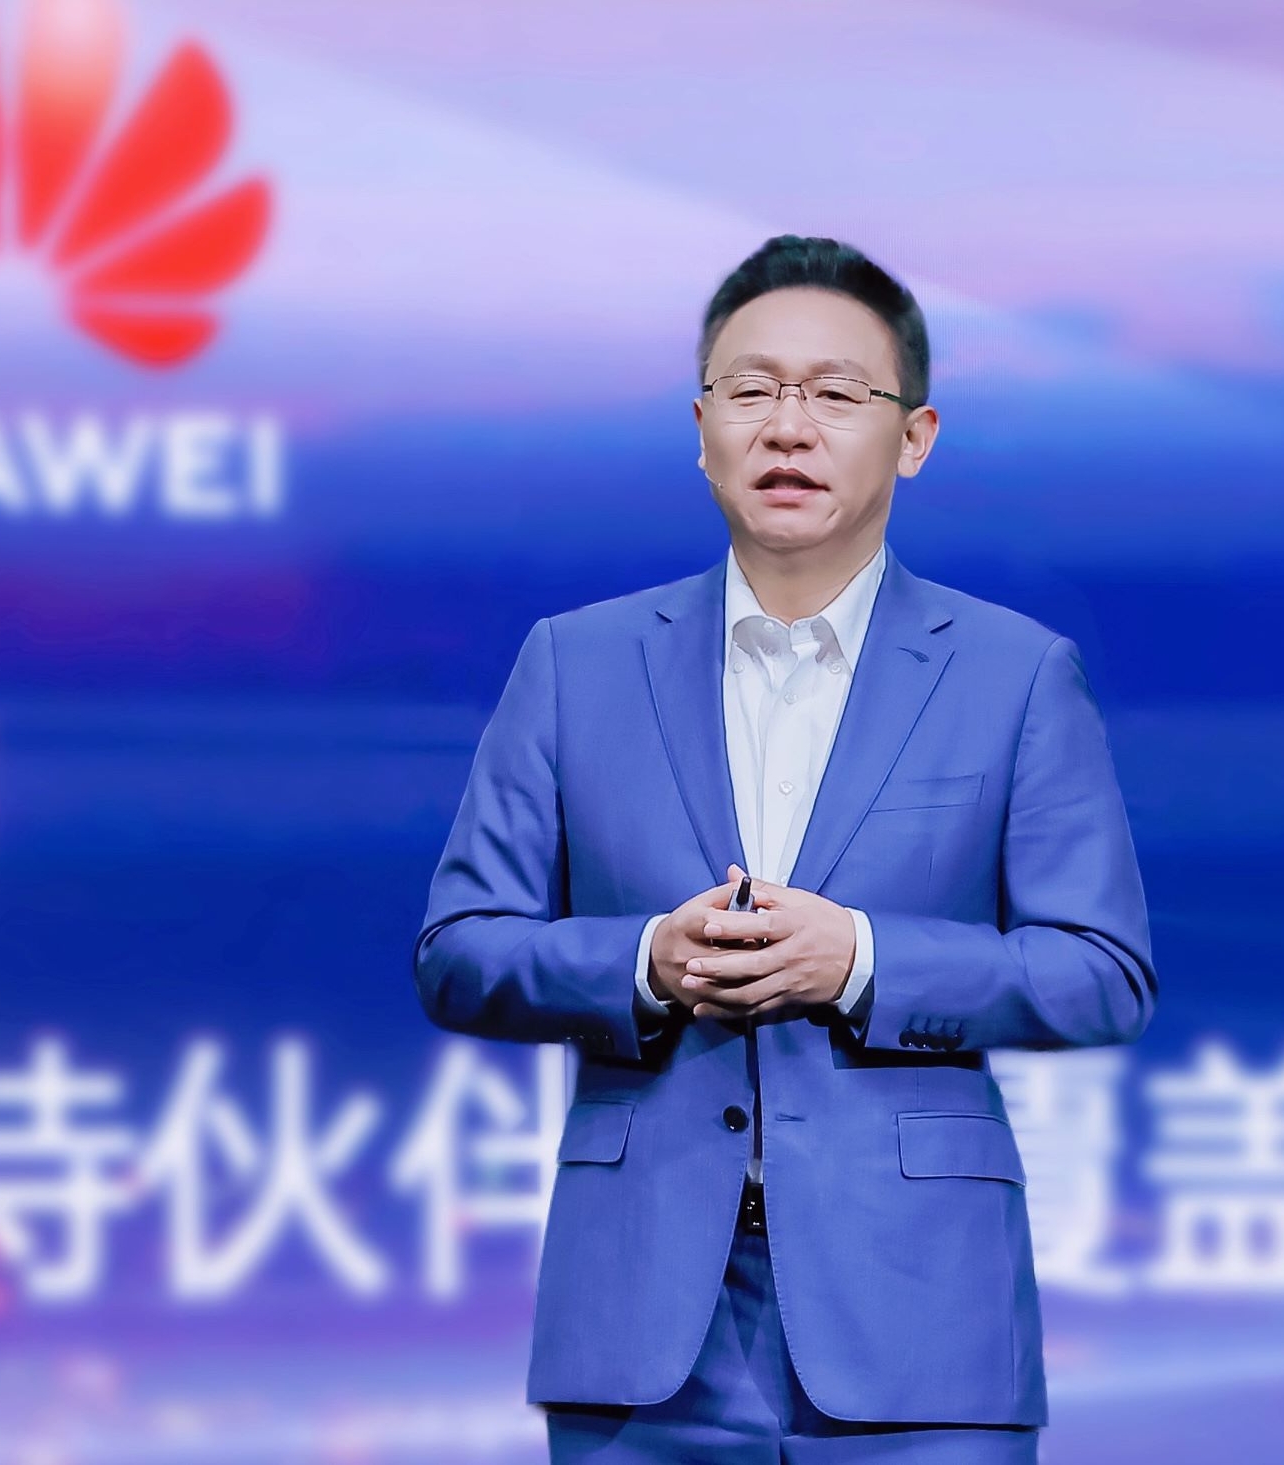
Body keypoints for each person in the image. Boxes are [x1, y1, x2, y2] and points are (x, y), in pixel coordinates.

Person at [413, 234, 1157, 1463]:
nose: (788, 427)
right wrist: (645, 962)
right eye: (751, 389)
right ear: (700, 427)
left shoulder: (1014, 675)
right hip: (643, 1332)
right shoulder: (574, 664)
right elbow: (458, 951)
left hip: (917, 1326)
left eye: (834, 393)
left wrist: (859, 960)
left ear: (912, 436)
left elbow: (1099, 970)